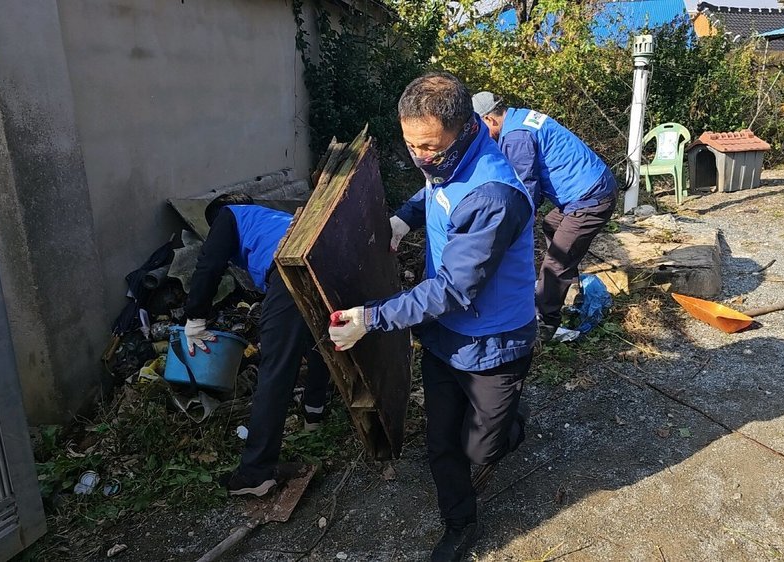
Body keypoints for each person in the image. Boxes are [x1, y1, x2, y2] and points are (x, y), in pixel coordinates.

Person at [327, 72, 535, 562]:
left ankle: (511, 419)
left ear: (465, 130)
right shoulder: (442, 158)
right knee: (441, 443)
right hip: (445, 336)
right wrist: (404, 216)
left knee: (482, 451)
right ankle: (459, 526)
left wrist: (371, 318)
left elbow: (454, 289)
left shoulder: (494, 195)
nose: (421, 157)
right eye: (411, 145)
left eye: (430, 149)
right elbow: (433, 191)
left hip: (494, 342)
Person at [183, 193, 331, 497]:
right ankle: (314, 415)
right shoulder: (269, 219)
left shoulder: (229, 215)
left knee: (275, 366)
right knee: (317, 341)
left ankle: (255, 473)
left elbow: (208, 265)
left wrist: (195, 317)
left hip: (290, 267)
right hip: (323, 258)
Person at [472, 92, 618, 341]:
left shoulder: (516, 137)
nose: (479, 134)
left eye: (478, 127)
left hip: (591, 197)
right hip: (583, 191)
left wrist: (507, 231)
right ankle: (565, 288)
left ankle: (545, 323)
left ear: (489, 119)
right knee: (552, 225)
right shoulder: (519, 118)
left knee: (556, 261)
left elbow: (525, 190)